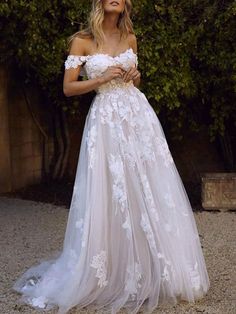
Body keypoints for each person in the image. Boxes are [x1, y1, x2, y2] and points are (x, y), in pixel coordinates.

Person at [12, 1, 210, 313]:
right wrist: (102, 80)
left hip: (139, 119)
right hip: (105, 121)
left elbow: (136, 82)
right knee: (110, 189)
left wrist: (135, 73)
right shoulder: (83, 40)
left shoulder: (130, 37)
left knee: (148, 187)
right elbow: (68, 88)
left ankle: (153, 267)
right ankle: (111, 271)